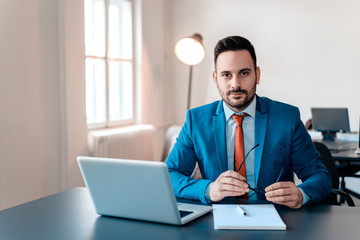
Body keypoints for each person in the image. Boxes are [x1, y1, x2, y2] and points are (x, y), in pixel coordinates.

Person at [165, 35, 332, 209]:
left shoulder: (286, 117)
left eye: (244, 73)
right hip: (216, 219)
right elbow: (170, 174)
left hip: (277, 218)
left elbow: (320, 176)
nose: (235, 84)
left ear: (257, 75)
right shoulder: (196, 120)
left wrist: (301, 194)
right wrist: (209, 189)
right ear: (215, 79)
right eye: (226, 75)